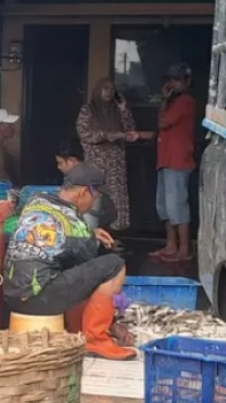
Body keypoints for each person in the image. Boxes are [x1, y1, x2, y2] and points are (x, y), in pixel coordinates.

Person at [4, 162, 136, 360]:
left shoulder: (36, 201)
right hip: (38, 299)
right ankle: (96, 339)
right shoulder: (76, 225)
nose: (93, 205)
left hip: (11, 296)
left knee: (64, 265)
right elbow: (89, 273)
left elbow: (57, 235)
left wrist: (89, 234)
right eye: (95, 197)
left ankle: (79, 328)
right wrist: (90, 239)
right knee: (114, 265)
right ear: (84, 192)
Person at [75, 78, 147, 232]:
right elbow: (84, 134)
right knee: (96, 198)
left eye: (112, 89)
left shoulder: (117, 111)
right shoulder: (88, 110)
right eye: (105, 88)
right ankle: (94, 233)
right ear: (98, 90)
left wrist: (123, 110)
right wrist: (107, 135)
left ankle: (115, 235)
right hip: (96, 164)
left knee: (116, 199)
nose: (109, 92)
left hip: (115, 164)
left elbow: (130, 131)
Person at [149, 63, 196, 262]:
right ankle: (171, 245)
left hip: (178, 161)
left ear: (187, 82)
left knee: (177, 206)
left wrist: (164, 100)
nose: (172, 83)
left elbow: (163, 122)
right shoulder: (171, 102)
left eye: (177, 80)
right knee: (164, 206)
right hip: (166, 160)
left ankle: (184, 249)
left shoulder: (185, 101)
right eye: (171, 79)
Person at [53, 137, 117, 231]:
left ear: (72, 160)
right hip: (105, 212)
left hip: (96, 214)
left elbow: (63, 199)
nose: (58, 167)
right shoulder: (87, 169)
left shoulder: (77, 174)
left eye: (60, 163)